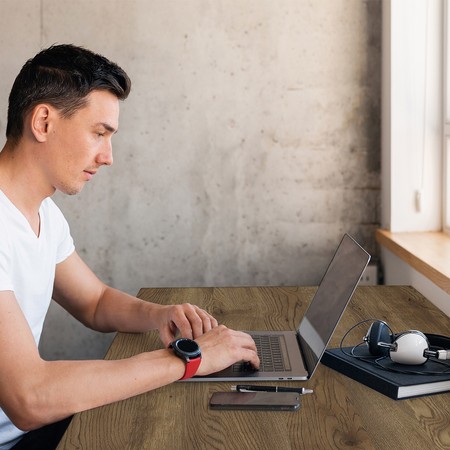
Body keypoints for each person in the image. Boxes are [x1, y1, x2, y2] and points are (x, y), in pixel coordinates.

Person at [0, 44, 260, 450]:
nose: (108, 157)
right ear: (44, 122)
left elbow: (95, 302)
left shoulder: (42, 215)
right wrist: (189, 358)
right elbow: (29, 398)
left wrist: (161, 316)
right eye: (99, 133)